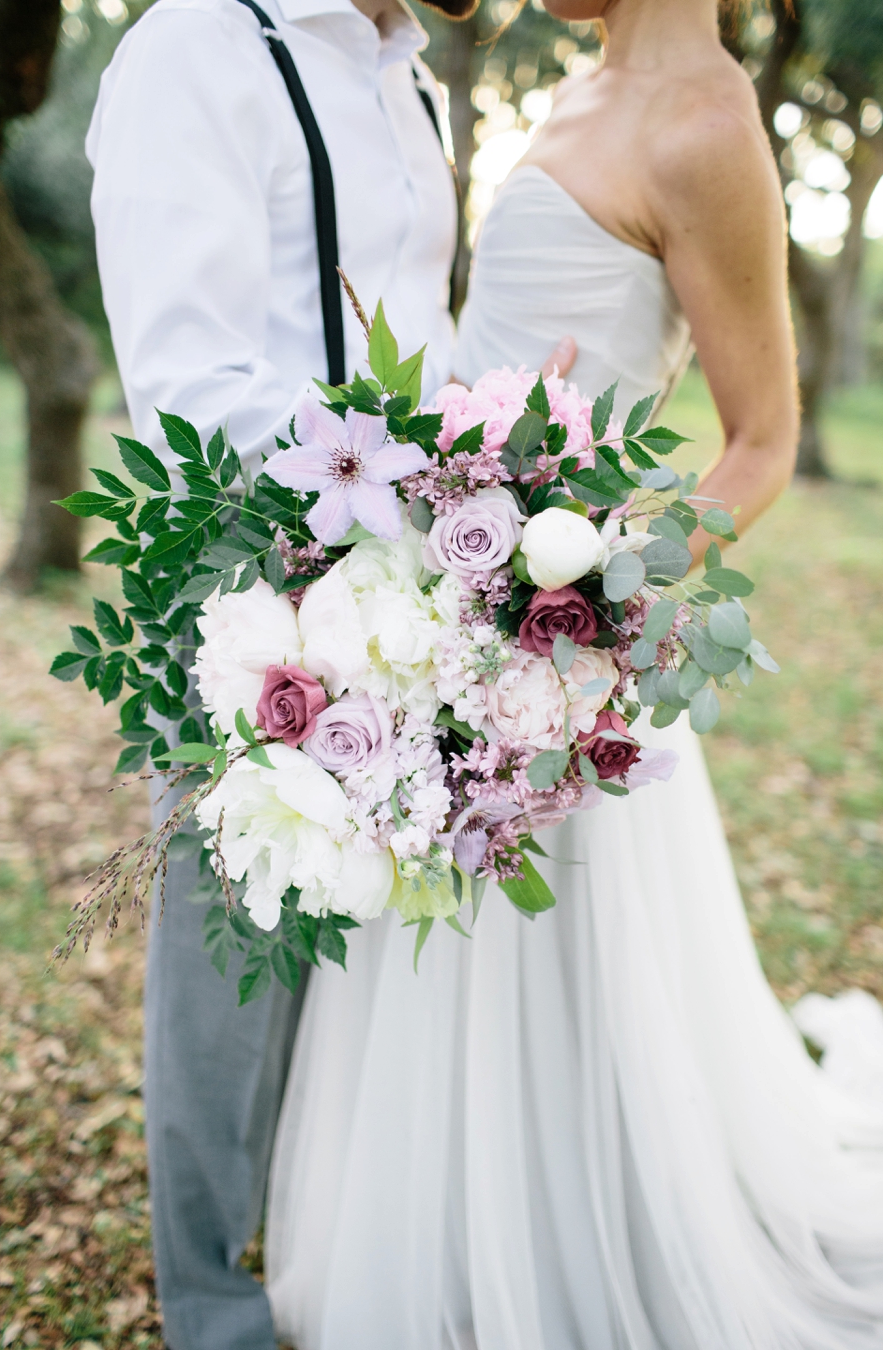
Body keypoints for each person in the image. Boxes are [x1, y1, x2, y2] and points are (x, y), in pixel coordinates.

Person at [262, 0, 883, 1346]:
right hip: (436, 615)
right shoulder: (581, 89)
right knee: (435, 953)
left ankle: (569, 1249)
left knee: (552, 967)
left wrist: (590, 578)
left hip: (553, 644)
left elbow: (761, 442)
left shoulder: (712, 122)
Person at [84, 0, 478, 1344]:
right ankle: (212, 1303)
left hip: (417, 589)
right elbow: (184, 382)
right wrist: (425, 461)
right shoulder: (194, 50)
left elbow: (417, 319)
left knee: (369, 936)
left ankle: (331, 1250)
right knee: (229, 958)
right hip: (245, 584)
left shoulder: (411, 81)